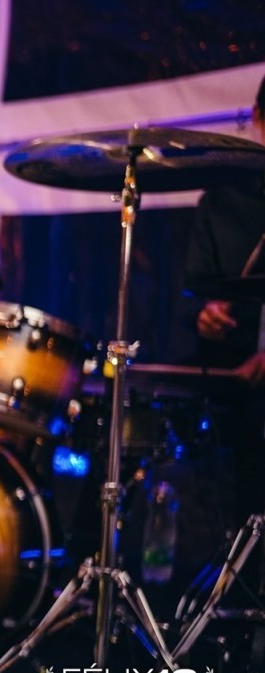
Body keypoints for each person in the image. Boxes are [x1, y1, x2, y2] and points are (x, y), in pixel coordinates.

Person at [183, 74, 265, 534]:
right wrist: (204, 316)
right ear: (257, 119)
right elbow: (190, 293)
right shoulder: (221, 202)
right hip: (228, 380)